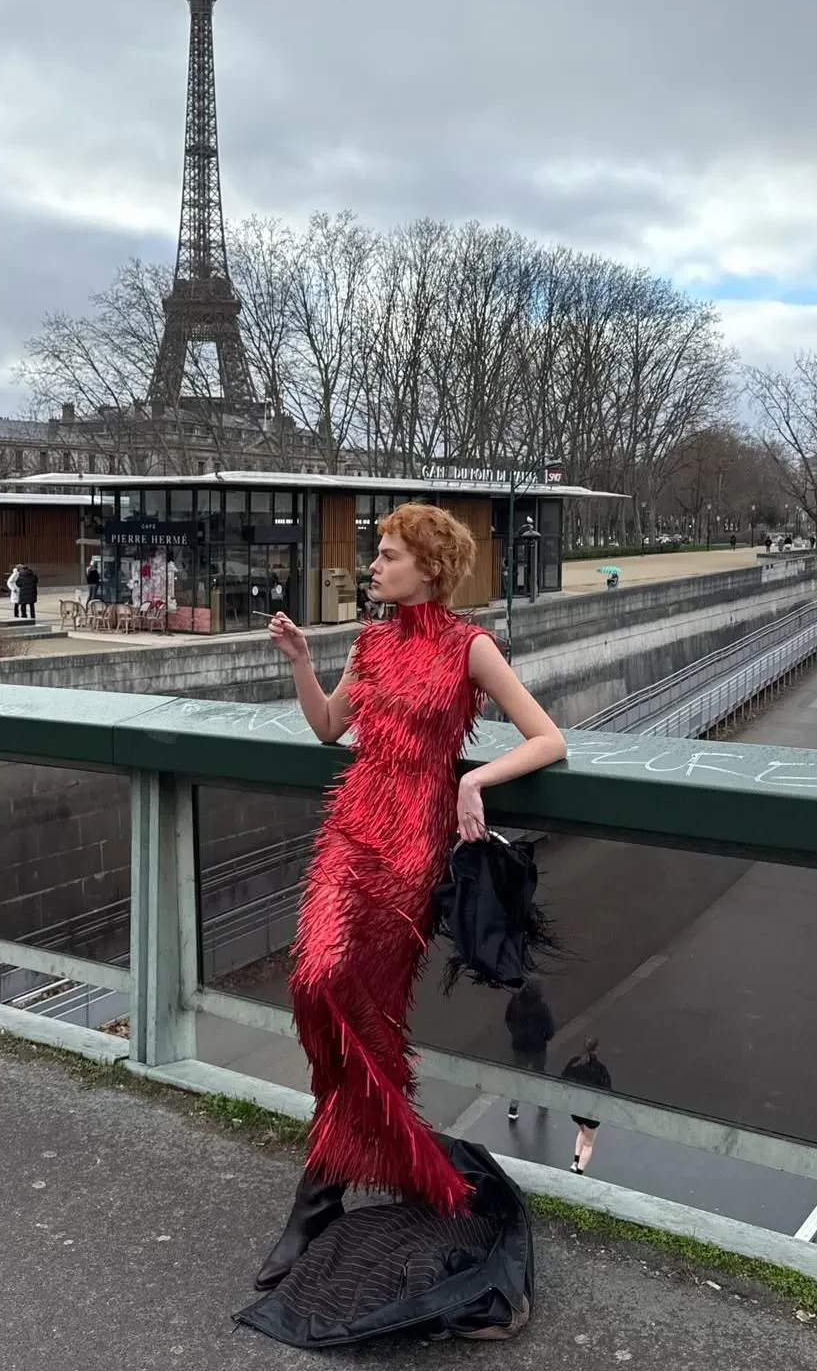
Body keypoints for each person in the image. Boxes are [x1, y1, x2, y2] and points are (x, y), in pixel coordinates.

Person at [254, 502, 567, 1291]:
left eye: (389, 555)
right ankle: (399, 1161)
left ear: (429, 569)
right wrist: (300, 660)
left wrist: (475, 780)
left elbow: (548, 738)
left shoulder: (470, 647)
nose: (375, 564)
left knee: (369, 1014)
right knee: (314, 984)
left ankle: (317, 1200)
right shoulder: (370, 642)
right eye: (378, 552)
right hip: (349, 834)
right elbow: (329, 727)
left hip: (411, 854)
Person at [505, 979, 556, 1123]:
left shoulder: (515, 1002)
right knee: (539, 1075)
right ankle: (541, 1104)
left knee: (519, 1078)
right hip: (537, 1047)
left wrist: (515, 1034)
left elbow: (508, 1020)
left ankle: (513, 1109)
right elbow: (550, 1029)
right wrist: (544, 1038)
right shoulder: (541, 1007)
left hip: (520, 1046)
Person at [562, 1038, 613, 1175]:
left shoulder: (574, 1062)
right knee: (589, 1143)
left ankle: (575, 1162)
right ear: (597, 1050)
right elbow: (607, 1090)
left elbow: (564, 1080)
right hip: (591, 1112)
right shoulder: (600, 1069)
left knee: (582, 1130)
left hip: (576, 1108)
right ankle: (579, 1171)